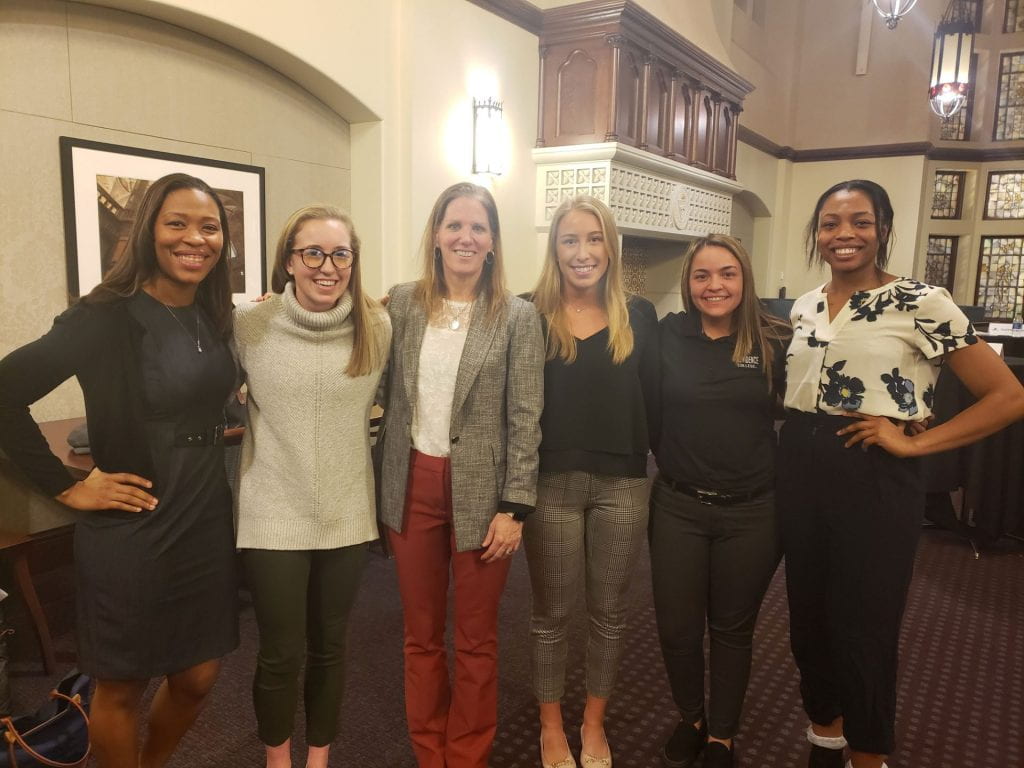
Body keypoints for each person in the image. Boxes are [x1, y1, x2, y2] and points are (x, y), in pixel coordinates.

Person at [779, 179, 1024, 768]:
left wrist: (917, 445)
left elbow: (1008, 395)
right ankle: (825, 739)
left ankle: (869, 753)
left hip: (874, 475)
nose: (844, 235)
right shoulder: (805, 304)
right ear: (817, 233)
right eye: (831, 223)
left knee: (864, 627)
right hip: (801, 471)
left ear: (883, 229)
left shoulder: (922, 301)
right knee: (808, 620)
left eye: (860, 222)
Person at [0, 173, 239, 768]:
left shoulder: (213, 311)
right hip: (133, 523)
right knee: (122, 684)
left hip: (205, 512)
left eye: (209, 227)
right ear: (149, 231)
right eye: (177, 223)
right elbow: (4, 391)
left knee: (199, 676)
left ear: (223, 239)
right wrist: (67, 485)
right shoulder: (105, 316)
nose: (194, 239)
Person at [376, 182, 545, 768]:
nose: (465, 238)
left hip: (484, 495)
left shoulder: (518, 316)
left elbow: (527, 417)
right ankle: (429, 752)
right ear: (436, 235)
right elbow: (364, 374)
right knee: (420, 636)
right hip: (411, 484)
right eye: (454, 226)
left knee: (475, 639)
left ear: (493, 241)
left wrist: (514, 506)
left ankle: (467, 755)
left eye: (478, 228)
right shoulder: (401, 302)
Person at [233, 205, 391, 768]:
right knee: (280, 653)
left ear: (353, 261)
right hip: (272, 512)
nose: (328, 266)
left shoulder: (377, 327)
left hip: (347, 515)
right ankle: (278, 760)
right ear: (289, 260)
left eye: (340, 254)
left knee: (330, 648)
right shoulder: (249, 326)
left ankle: (318, 758)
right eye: (313, 253)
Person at [523, 195, 658, 768]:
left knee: (608, 611)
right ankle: (552, 727)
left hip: (623, 485)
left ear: (611, 246)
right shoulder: (528, 313)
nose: (583, 252)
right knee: (552, 613)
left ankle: (592, 724)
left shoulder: (641, 316)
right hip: (550, 484)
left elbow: (666, 396)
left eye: (595, 238)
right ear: (555, 249)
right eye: (570, 240)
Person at [650, 234, 791, 768]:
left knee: (732, 629)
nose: (715, 286)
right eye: (703, 276)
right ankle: (691, 717)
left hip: (753, 511)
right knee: (677, 628)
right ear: (688, 283)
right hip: (678, 506)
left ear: (744, 278)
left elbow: (815, 401)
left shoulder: (774, 338)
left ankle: (722, 737)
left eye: (727, 274)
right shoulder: (667, 335)